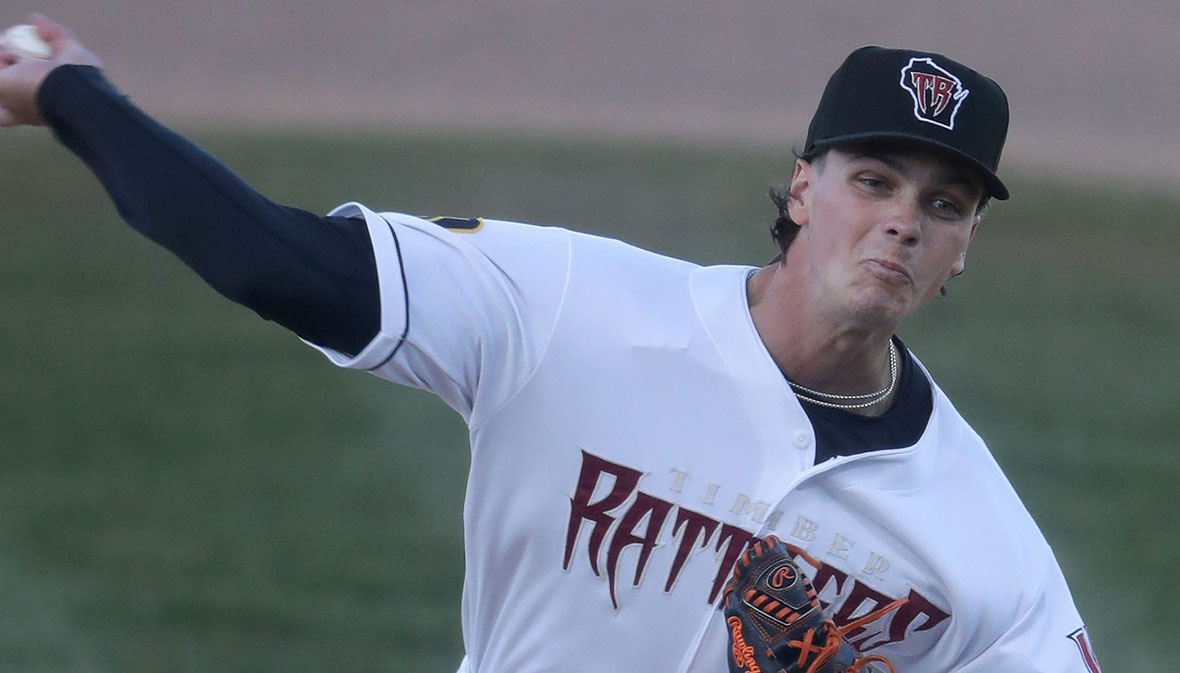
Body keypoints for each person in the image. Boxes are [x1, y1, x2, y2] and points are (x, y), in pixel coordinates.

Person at [0, 15, 1101, 673]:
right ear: (803, 186)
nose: (904, 219)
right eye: (874, 180)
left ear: (966, 246)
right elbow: (278, 264)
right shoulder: (571, 306)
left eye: (946, 203)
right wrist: (73, 95)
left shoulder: (987, 550)